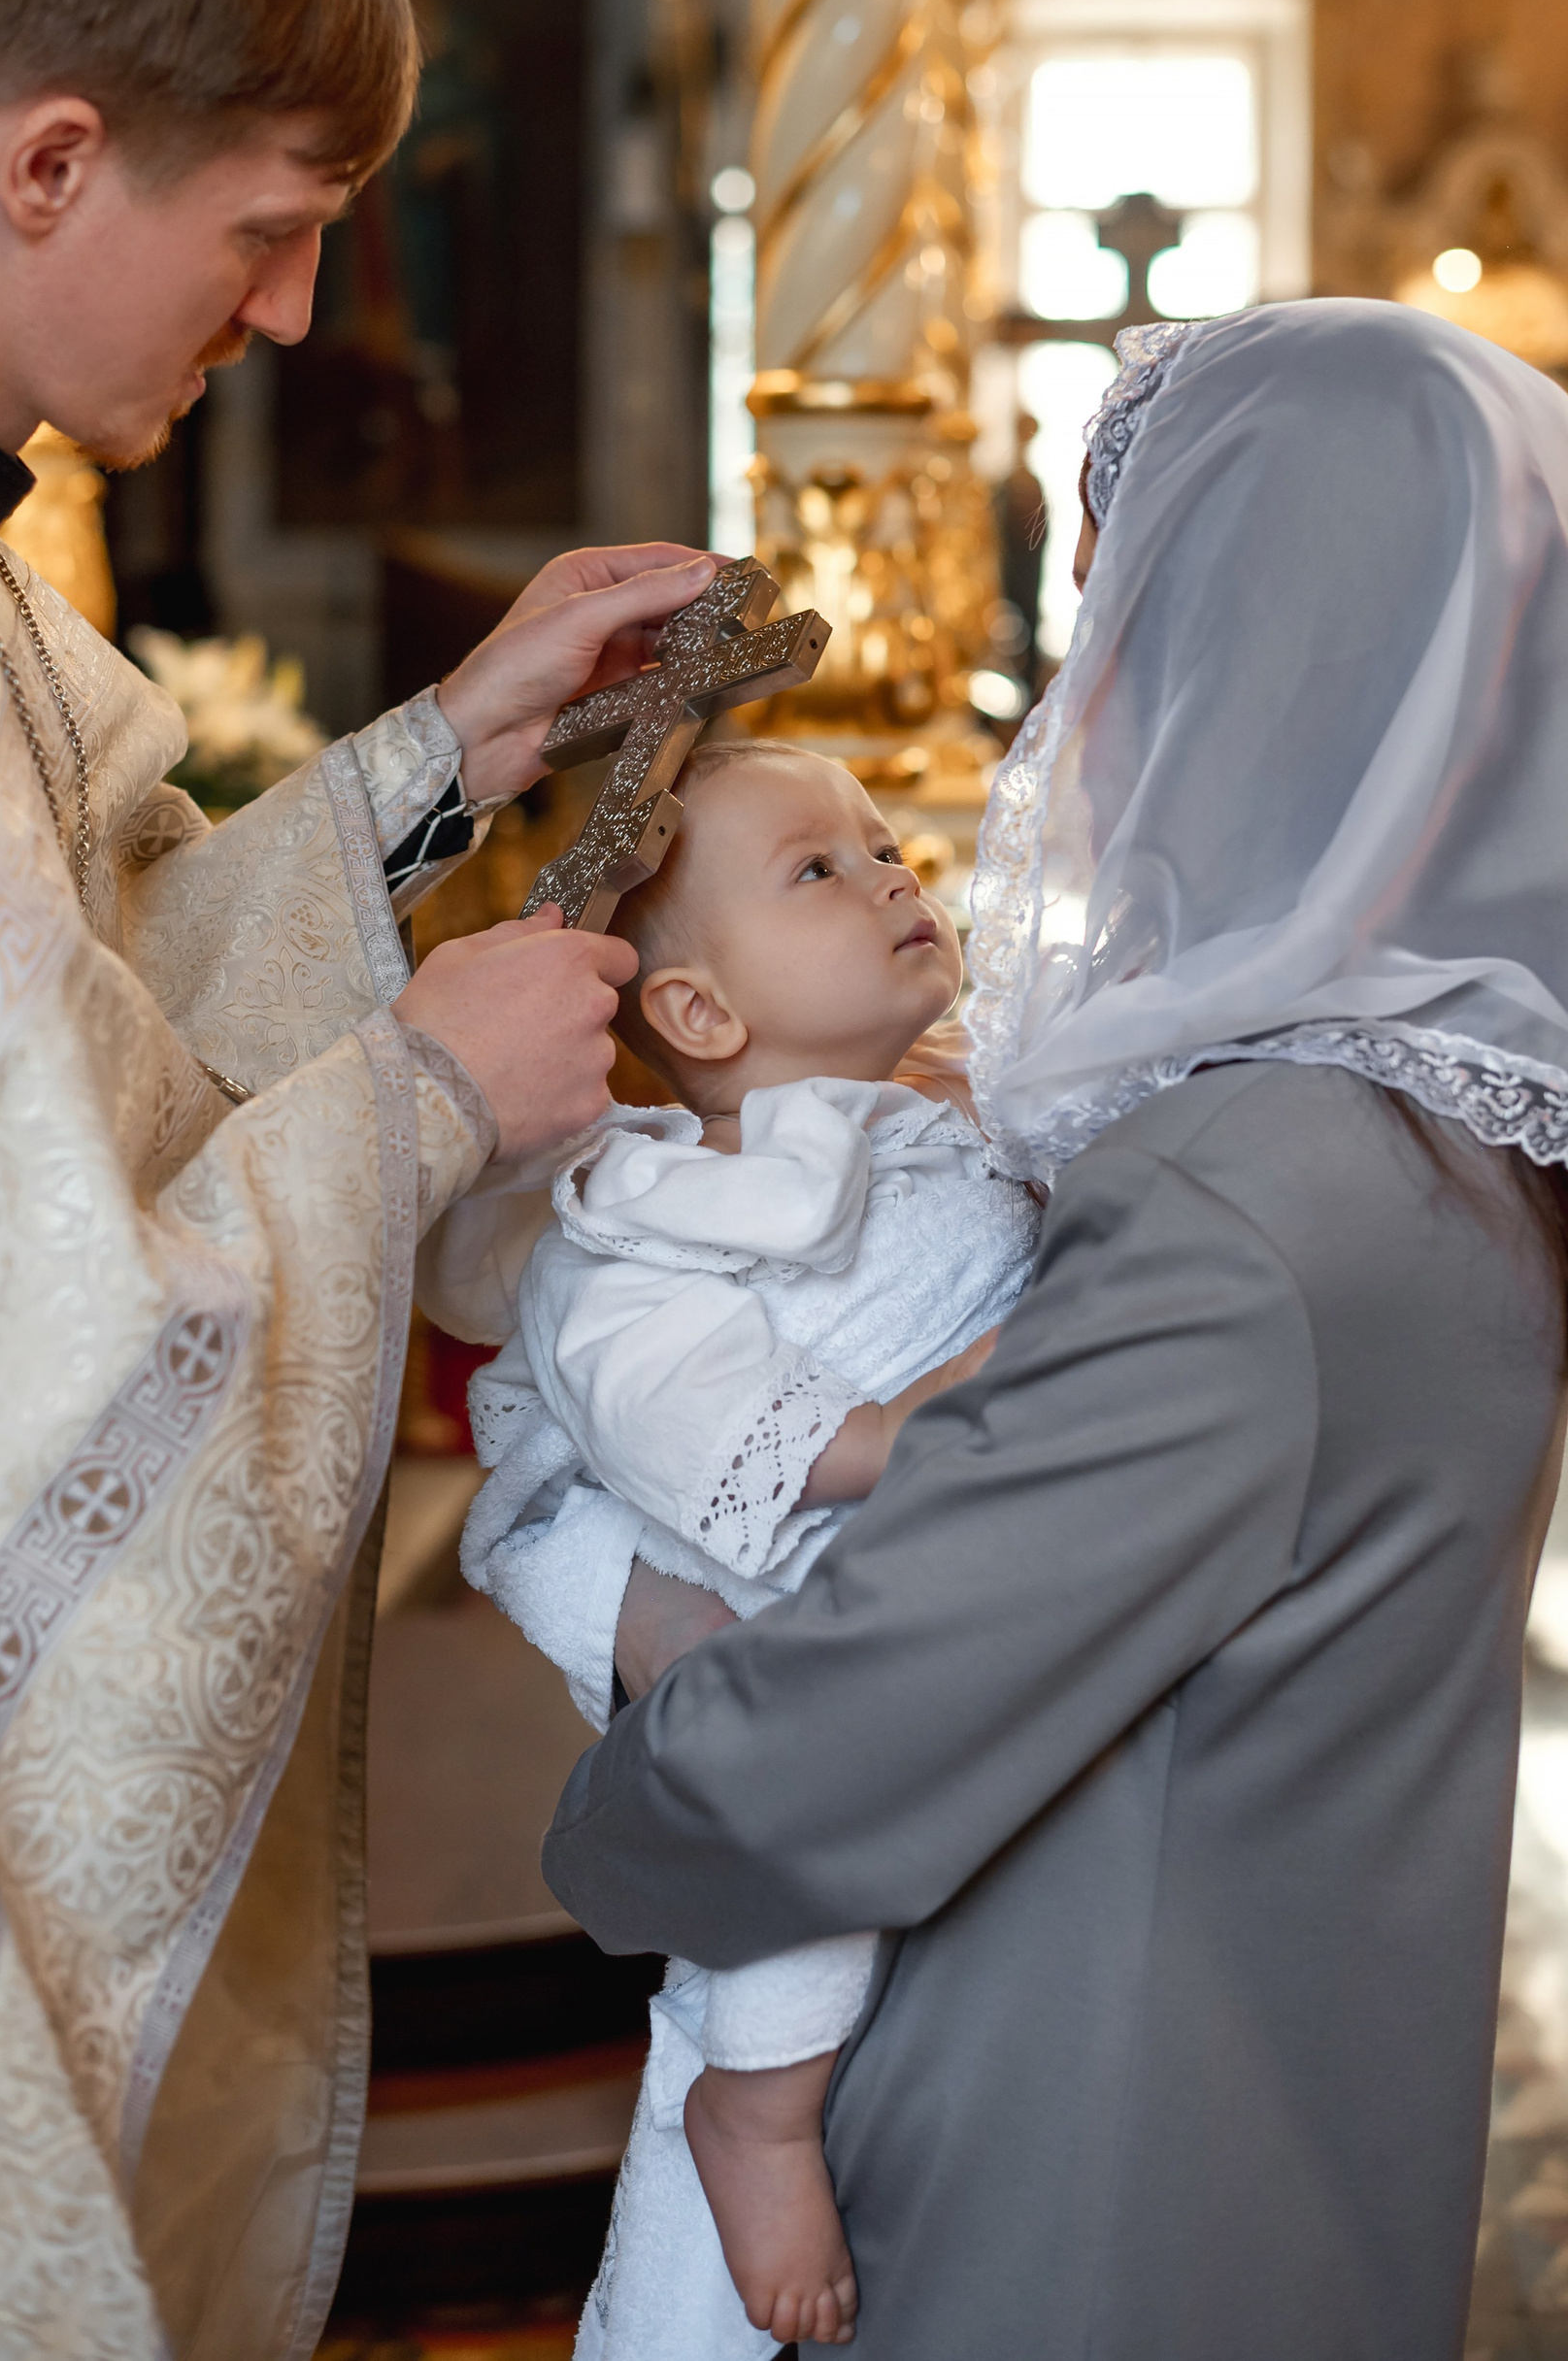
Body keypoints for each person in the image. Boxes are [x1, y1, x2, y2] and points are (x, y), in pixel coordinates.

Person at [0, 0, 716, 2360]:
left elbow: (82, 995)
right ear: (51, 161)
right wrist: (425, 1096)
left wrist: (442, 759)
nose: (286, 317)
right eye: (267, 232)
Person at [543, 299, 1568, 2361]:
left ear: (1248, 674)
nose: (1085, 717)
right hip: (1295, 2120)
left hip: (1072, 2173)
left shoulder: (1247, 1188)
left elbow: (822, 1749)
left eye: (1124, 631)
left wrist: (618, 1742)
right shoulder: (1449, 1121)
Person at [430, 743, 1036, 2354]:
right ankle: (756, 2107)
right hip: (784, 1594)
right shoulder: (648, 1215)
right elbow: (672, 1407)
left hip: (967, 1579)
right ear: (698, 1015)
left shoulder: (957, 1105)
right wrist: (890, 1435)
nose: (894, 874)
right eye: (819, 869)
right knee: (805, 1836)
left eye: (886, 844)